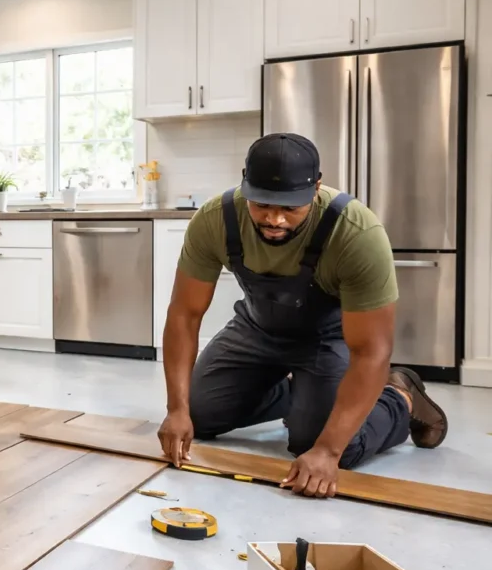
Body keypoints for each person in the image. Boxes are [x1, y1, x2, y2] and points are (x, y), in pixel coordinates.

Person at [158, 132, 448, 498]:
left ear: (316, 189)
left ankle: (399, 397)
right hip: (255, 328)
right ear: (245, 182)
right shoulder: (216, 219)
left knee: (323, 445)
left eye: (290, 207)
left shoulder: (355, 232)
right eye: (262, 203)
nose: (275, 218)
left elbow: (372, 352)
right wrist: (176, 408)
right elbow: (184, 314)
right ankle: (304, 393)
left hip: (326, 338)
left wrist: (328, 450)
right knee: (196, 415)